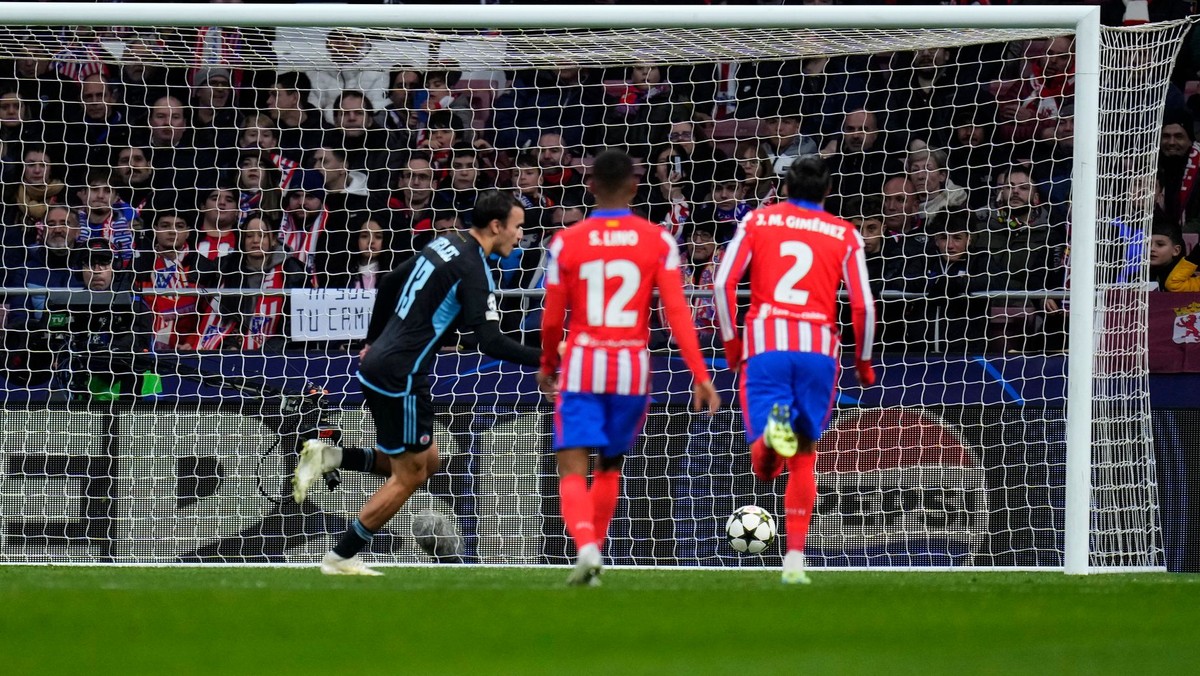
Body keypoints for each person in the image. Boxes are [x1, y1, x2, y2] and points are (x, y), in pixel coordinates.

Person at [292, 190, 542, 575]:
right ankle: (340, 557)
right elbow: (490, 341)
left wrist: (372, 340)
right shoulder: (474, 269)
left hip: (382, 366)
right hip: (403, 376)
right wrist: (548, 360)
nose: (519, 235)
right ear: (497, 226)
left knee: (429, 460)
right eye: (518, 227)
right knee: (410, 474)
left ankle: (331, 456)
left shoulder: (447, 242)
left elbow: (390, 281)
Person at [537, 149, 721, 586]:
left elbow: (551, 315)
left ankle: (584, 546)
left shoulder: (567, 241)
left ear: (591, 186)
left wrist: (548, 362)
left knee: (572, 464)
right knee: (610, 465)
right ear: (635, 187)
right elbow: (677, 312)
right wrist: (700, 374)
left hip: (584, 361)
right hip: (632, 366)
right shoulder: (658, 241)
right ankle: (594, 554)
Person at [713, 156, 876, 585]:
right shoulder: (845, 233)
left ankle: (771, 443)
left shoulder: (757, 221)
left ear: (785, 187)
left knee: (766, 466)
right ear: (827, 191)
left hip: (767, 342)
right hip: (818, 349)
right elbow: (862, 304)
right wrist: (863, 360)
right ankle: (795, 562)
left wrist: (732, 343)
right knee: (805, 456)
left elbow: (721, 282)